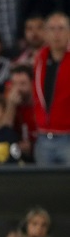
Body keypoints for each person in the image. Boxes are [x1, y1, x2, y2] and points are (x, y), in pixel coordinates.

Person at [32, 12, 70, 166]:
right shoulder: (40, 58)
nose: (56, 34)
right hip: (43, 137)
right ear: (46, 33)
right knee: (44, 188)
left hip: (68, 137)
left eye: (61, 28)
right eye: (52, 29)